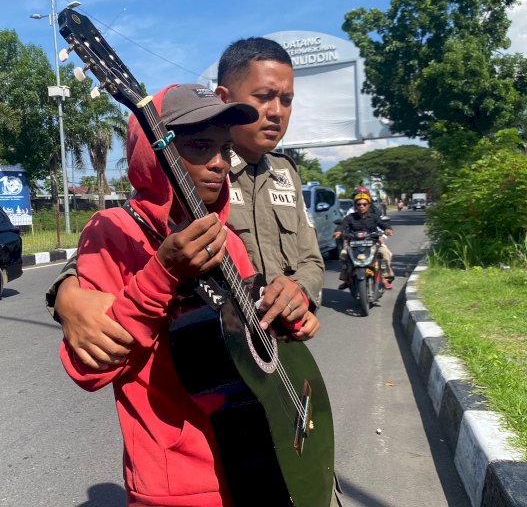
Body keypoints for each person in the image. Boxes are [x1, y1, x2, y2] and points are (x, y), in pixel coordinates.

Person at [60, 83, 321, 507]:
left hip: (257, 458)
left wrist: (287, 316)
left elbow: (245, 337)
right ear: (153, 152)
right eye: (200, 146)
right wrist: (163, 273)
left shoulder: (226, 240)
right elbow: (89, 370)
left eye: (223, 148)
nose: (219, 164)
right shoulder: (111, 232)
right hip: (175, 487)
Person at [47, 37, 324, 370]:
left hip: (266, 355)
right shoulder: (179, 170)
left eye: (287, 100)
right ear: (224, 97)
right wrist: (66, 294)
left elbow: (310, 258)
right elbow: (122, 237)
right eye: (264, 97)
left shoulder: (285, 172)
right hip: (204, 354)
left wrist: (297, 294)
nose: (277, 112)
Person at [335, 191, 395, 290]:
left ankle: (385, 278)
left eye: (364, 204)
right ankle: (347, 278)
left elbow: (383, 224)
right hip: (353, 245)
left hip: (372, 244)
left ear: (368, 205)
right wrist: (338, 232)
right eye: (359, 204)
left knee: (385, 253)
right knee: (343, 255)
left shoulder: (374, 217)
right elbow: (342, 225)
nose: (361, 206)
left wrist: (388, 229)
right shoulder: (350, 217)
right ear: (355, 206)